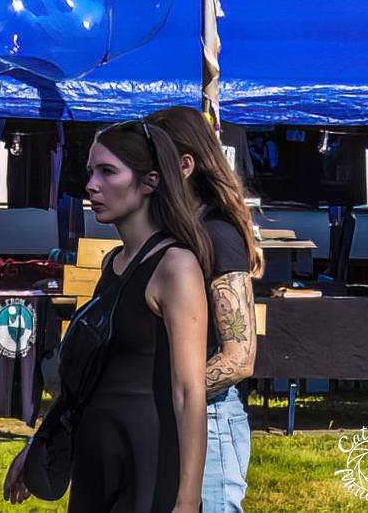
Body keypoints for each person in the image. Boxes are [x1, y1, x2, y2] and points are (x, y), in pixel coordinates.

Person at [6, 121, 211, 512]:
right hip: (96, 459)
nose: (91, 185)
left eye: (107, 171)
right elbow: (88, 377)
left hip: (146, 461)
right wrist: (39, 445)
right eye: (91, 172)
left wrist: (187, 500)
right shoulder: (114, 263)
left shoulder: (175, 266)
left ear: (150, 181)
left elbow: (189, 392)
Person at [146, 106, 260, 513]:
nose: (146, 174)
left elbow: (239, 358)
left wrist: (163, 394)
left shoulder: (217, 234)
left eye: (153, 161)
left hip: (209, 421)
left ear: (185, 165)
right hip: (182, 417)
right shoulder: (176, 232)